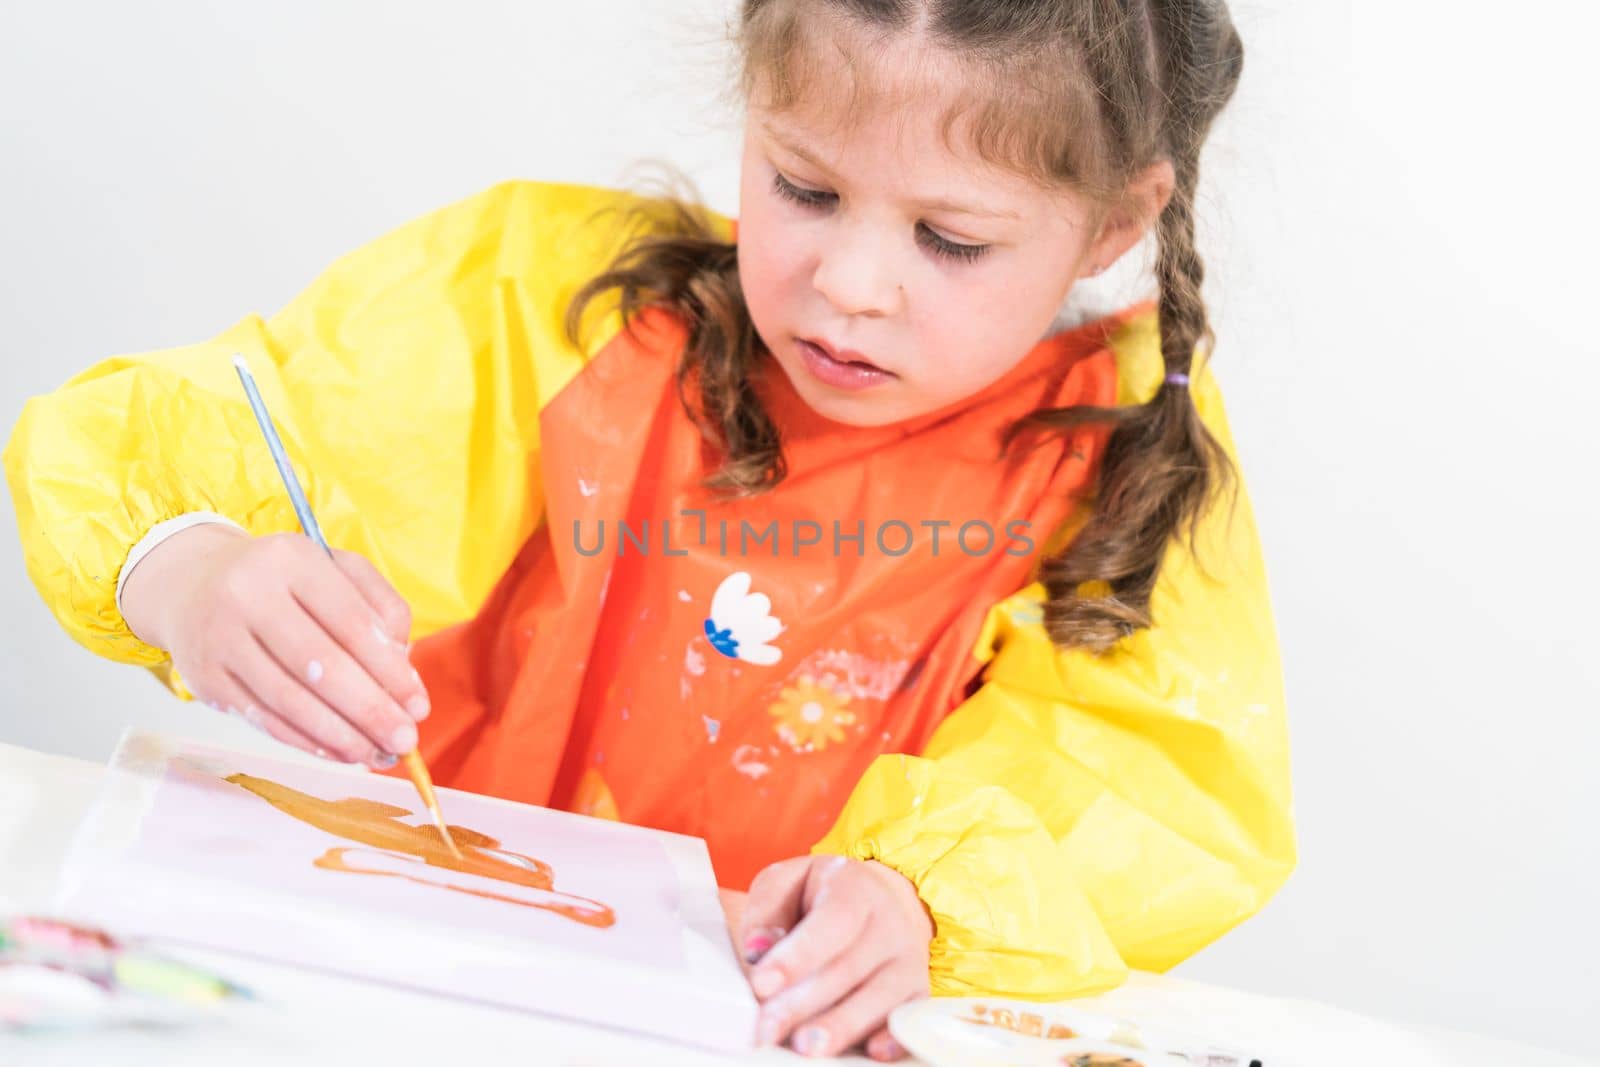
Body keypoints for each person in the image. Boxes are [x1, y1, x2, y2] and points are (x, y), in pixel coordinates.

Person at [4, 0, 1295, 1059]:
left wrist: (923, 898)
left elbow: (1146, 776)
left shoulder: (1116, 447)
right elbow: (178, 429)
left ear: (1118, 222)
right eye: (803, 186)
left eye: (950, 240)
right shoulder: (546, 307)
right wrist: (188, 567)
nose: (850, 285)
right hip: (418, 1007)